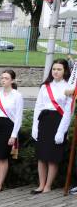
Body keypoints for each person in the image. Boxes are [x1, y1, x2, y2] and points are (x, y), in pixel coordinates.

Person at [31, 59, 73, 194]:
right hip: (44, 120)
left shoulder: (69, 87)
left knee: (53, 156)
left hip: (58, 121)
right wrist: (35, 126)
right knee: (42, 155)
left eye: (59, 69)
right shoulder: (45, 86)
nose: (56, 71)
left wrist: (61, 131)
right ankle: (41, 184)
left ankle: (48, 186)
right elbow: (38, 106)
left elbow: (68, 111)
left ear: (65, 71)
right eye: (54, 69)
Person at [0, 70, 24, 194]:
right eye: (2, 78)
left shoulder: (17, 95)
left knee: (2, 157)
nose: (3, 80)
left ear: (12, 80)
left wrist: (13, 135)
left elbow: (18, 117)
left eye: (6, 78)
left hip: (8, 127)